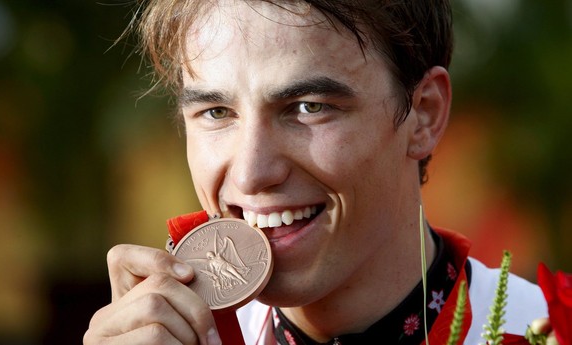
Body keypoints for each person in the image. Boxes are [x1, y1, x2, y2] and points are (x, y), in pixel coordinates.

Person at [84, 1, 549, 344]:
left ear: (423, 115)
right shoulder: (162, 334)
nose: (250, 174)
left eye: (309, 107)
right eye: (216, 112)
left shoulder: (553, 326)